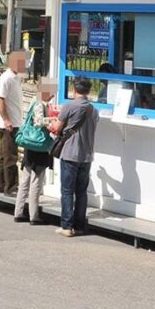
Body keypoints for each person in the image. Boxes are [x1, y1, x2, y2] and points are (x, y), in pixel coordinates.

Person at [49, 76, 100, 237]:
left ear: (74, 90)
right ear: (89, 91)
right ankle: (79, 225)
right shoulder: (94, 110)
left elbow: (57, 127)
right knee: (81, 192)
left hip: (70, 154)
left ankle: (66, 226)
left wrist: (50, 125)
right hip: (86, 156)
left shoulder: (69, 106)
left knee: (66, 191)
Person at [14, 80, 55, 225]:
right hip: (39, 145)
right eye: (51, 93)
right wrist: (54, 119)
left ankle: (18, 212)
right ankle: (33, 215)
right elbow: (39, 122)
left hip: (29, 145)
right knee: (36, 181)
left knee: (25, 179)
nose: (52, 96)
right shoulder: (39, 105)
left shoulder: (32, 102)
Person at [0, 51, 26, 195]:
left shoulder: (16, 78)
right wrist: (6, 119)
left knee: (3, 155)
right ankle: (11, 187)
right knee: (10, 156)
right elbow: (0, 100)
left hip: (14, 121)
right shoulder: (5, 79)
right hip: (8, 123)